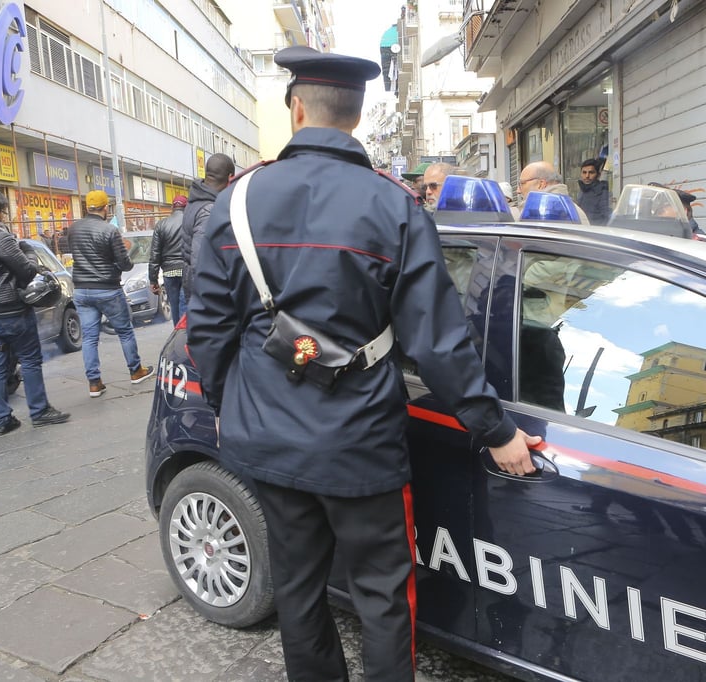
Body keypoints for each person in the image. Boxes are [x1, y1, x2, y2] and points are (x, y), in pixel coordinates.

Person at [186, 44, 538, 682]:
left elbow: (208, 332)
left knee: (297, 587)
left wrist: (224, 406)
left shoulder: (235, 203)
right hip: (360, 442)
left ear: (297, 110)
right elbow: (437, 341)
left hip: (267, 434)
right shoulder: (394, 205)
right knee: (382, 595)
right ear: (355, 115)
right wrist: (495, 429)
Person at [0, 190, 71, 436]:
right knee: (29, 359)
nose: (5, 217)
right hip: (13, 311)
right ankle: (39, 411)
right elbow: (27, 272)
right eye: (4, 212)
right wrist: (28, 252)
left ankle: (0, 420)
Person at [68, 189, 153, 398]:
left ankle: (94, 383)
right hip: (107, 289)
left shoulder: (73, 229)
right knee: (125, 331)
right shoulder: (110, 230)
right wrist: (127, 255)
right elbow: (124, 264)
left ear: (87, 207)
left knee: (89, 337)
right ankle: (135, 371)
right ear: (106, 208)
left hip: (81, 290)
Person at [182, 152, 235, 299]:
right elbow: (200, 259)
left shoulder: (195, 201)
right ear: (230, 178)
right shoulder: (209, 209)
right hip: (205, 290)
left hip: (191, 282)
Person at [149, 195, 187, 326]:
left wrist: (153, 280)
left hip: (169, 272)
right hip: (187, 270)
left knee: (174, 306)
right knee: (185, 304)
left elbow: (155, 254)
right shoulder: (191, 222)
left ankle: (178, 332)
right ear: (186, 207)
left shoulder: (161, 224)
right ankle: (186, 334)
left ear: (172, 207)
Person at [517, 160, 590, 224]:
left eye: (522, 183)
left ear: (541, 184)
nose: (518, 191)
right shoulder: (574, 210)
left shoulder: (537, 212)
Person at [576, 158, 611, 225]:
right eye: (584, 172)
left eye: (591, 172)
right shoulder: (582, 190)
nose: (587, 176)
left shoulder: (603, 191)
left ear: (598, 175)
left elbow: (606, 217)